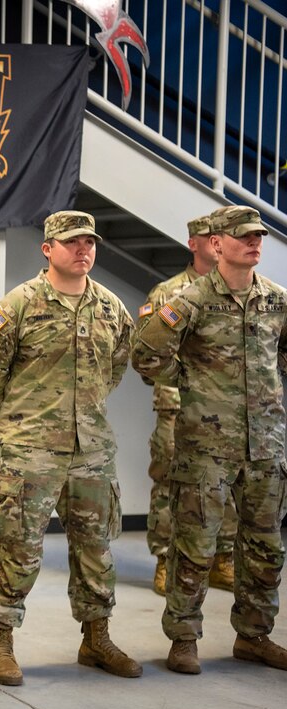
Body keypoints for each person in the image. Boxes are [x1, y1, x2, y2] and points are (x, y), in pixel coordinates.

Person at [0, 210, 141, 686]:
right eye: (72, 243)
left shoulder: (111, 309)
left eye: (89, 243)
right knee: (20, 547)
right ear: (48, 249)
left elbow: (117, 367)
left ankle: (96, 638)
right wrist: (24, 420)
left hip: (93, 452)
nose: (83, 250)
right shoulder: (17, 306)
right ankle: (0, 641)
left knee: (97, 548)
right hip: (32, 452)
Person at [131, 204, 287, 675]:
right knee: (195, 546)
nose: (255, 242)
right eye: (244, 236)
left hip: (265, 446)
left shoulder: (277, 300)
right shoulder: (189, 300)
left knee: (265, 548)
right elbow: (145, 356)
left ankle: (254, 636)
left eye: (259, 235)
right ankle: (183, 639)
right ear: (216, 244)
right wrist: (195, 379)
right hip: (205, 446)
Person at [137, 214, 237, 596]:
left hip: (229, 412)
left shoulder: (237, 291)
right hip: (178, 410)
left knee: (226, 486)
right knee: (168, 484)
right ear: (192, 244)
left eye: (219, 236)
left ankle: (222, 559)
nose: (214, 243)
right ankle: (165, 560)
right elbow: (147, 359)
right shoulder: (168, 294)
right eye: (206, 237)